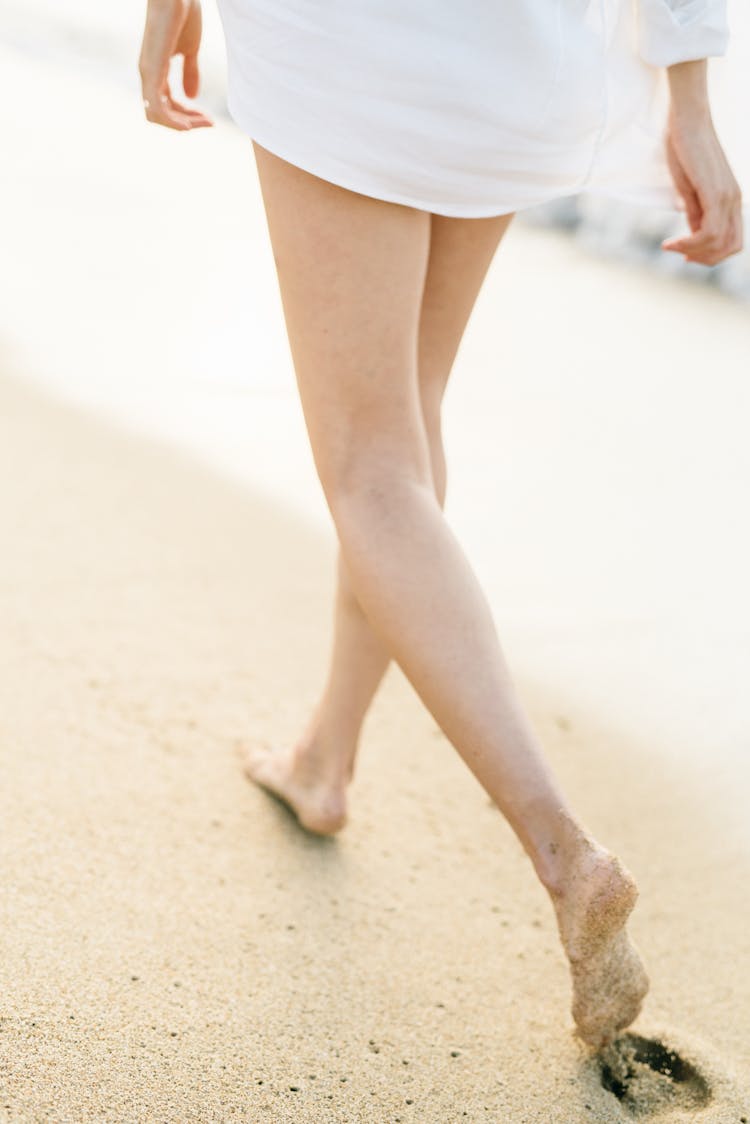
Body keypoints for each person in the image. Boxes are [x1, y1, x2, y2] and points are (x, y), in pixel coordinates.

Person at [137, 0, 743, 1050]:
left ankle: (567, 856)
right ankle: (324, 758)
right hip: (512, 54)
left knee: (373, 469)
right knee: (403, 432)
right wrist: (690, 98)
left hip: (350, 40)